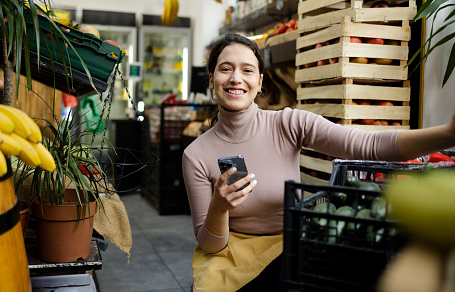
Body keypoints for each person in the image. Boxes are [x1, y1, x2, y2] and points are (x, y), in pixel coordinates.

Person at [182, 33, 455, 292]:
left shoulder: (289, 123)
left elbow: (368, 146)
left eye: (247, 70)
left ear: (260, 81)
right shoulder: (196, 154)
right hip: (232, 255)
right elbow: (210, 244)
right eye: (226, 69)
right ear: (211, 79)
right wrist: (219, 208)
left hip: (289, 244)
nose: (236, 78)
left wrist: (447, 134)